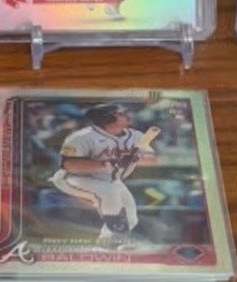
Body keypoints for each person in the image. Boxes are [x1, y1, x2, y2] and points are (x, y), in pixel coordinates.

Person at [49, 102, 158, 247]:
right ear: (107, 118)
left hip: (110, 180)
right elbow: (68, 164)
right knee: (109, 192)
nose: (127, 115)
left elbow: (151, 159)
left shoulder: (136, 136)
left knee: (130, 218)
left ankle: (105, 243)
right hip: (75, 178)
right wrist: (106, 163)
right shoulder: (82, 137)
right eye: (121, 113)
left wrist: (137, 157)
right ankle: (116, 237)